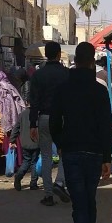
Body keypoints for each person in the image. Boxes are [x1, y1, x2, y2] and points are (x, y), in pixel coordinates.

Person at [49, 43, 112, 223]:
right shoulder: (99, 91)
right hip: (94, 154)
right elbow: (106, 126)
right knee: (90, 200)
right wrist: (107, 157)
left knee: (79, 205)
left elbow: (54, 122)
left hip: (72, 153)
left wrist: (61, 143)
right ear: (92, 61)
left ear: (75, 61)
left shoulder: (63, 89)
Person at [27, 41, 70, 207]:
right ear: (59, 54)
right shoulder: (67, 74)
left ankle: (48, 194)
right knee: (65, 152)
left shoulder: (38, 75)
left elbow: (34, 101)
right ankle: (59, 182)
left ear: (45, 54)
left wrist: (32, 124)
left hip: (44, 118)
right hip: (63, 118)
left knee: (45, 156)